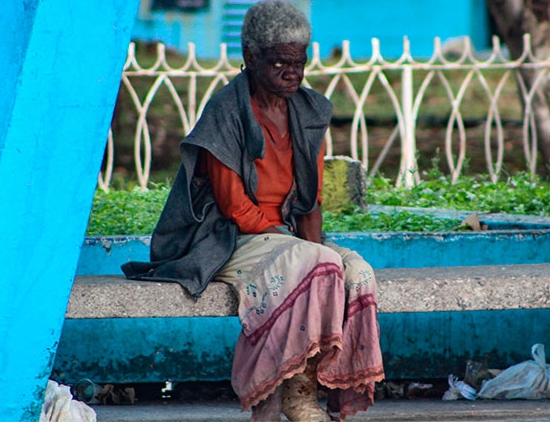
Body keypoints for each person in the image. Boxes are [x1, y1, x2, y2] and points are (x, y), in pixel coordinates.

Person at [121, 1, 385, 421]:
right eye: (279, 62)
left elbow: (311, 199)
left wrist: (315, 249)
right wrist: (304, 251)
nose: (291, 73)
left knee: (355, 272)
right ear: (249, 57)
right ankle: (280, 402)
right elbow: (233, 205)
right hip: (228, 238)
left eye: (298, 63)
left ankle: (305, 391)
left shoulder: (308, 111)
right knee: (315, 263)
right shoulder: (226, 111)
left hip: (283, 239)